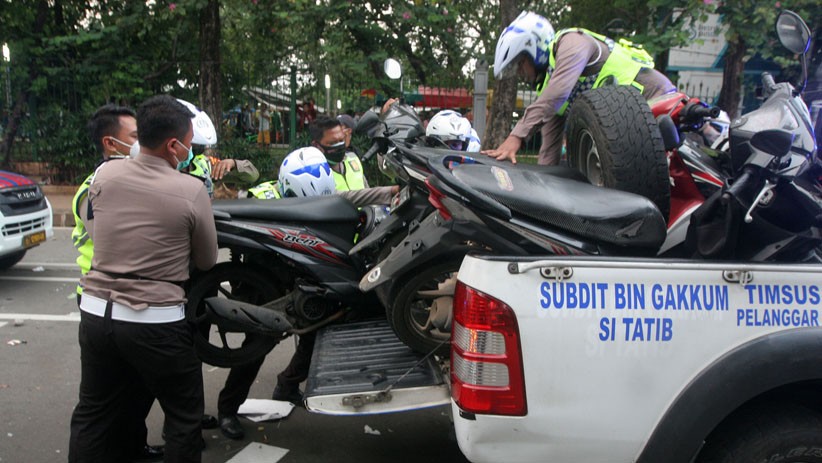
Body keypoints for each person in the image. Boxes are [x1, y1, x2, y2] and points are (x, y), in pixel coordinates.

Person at [68, 95, 217, 463]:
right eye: (187, 143)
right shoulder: (190, 189)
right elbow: (207, 259)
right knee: (183, 418)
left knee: (93, 412)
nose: (189, 151)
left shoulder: (103, 175)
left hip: (96, 314)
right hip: (155, 321)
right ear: (173, 145)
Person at [216, 147, 336, 440]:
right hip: (264, 280)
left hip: (305, 275)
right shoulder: (261, 198)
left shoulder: (329, 191)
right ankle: (227, 410)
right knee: (257, 347)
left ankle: (287, 385)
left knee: (315, 333)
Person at [71, 104, 167, 462]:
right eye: (137, 137)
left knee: (138, 388)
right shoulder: (97, 187)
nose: (145, 143)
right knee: (98, 404)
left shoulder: (133, 180)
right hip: (102, 303)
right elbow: (113, 247)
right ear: (111, 143)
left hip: (135, 302)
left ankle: (131, 448)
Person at [483, 11, 676, 165]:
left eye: (520, 63)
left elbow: (557, 94)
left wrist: (516, 136)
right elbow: (549, 153)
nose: (520, 73)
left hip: (660, 102)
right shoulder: (550, 92)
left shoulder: (572, 41)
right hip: (632, 130)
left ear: (535, 47)